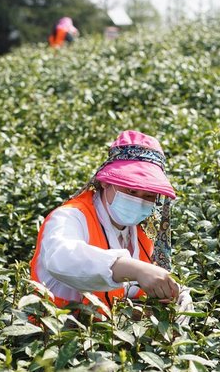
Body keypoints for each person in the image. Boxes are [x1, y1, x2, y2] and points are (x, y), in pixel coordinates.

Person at [30, 130, 192, 315]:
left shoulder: (139, 232)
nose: (139, 201)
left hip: (106, 337)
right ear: (106, 182)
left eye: (148, 195)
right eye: (131, 191)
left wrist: (174, 291)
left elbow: (128, 292)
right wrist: (135, 269)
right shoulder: (70, 217)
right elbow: (62, 259)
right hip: (55, 336)